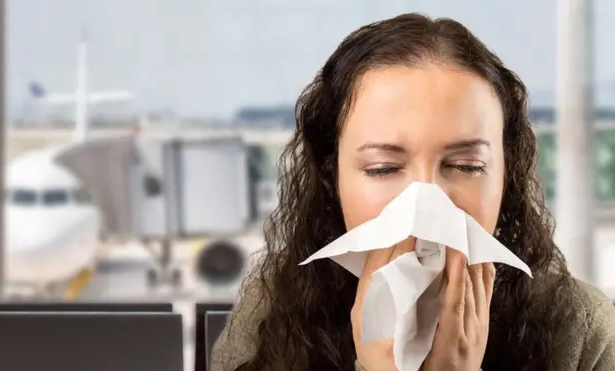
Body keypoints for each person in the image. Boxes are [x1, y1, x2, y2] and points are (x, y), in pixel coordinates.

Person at [211, 13, 615, 371]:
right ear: (332, 177)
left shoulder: (581, 330)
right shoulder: (273, 315)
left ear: (506, 176)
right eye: (383, 168)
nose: (425, 206)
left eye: (465, 166)